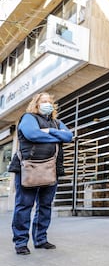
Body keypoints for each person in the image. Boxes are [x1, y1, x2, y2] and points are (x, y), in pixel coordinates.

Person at [8, 92, 73, 255]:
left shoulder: (57, 123)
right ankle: (21, 242)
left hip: (52, 169)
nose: (47, 104)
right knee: (24, 205)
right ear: (36, 104)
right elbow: (32, 134)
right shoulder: (28, 117)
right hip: (30, 167)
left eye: (50, 101)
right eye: (43, 101)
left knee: (45, 206)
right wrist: (56, 136)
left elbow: (69, 136)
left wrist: (48, 131)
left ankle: (41, 239)